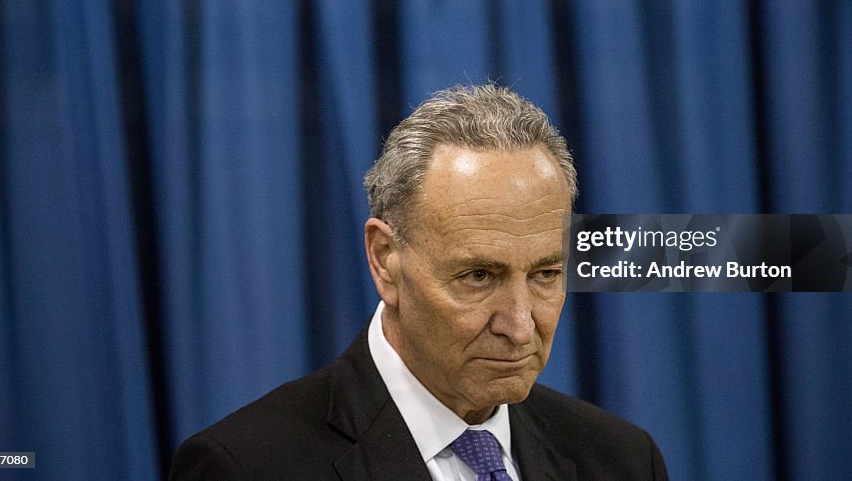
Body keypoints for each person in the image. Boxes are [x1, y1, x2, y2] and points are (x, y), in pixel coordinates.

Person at [170, 84, 667, 480]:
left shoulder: (621, 460)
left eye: (546, 274)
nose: (520, 327)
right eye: (478, 275)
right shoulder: (245, 467)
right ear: (385, 259)